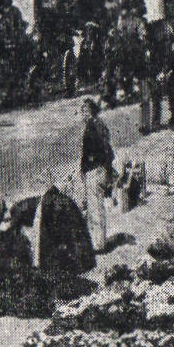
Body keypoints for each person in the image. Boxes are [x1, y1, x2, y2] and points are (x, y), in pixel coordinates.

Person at [79, 97, 115, 253]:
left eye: (84, 111)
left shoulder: (91, 127)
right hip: (101, 169)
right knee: (96, 208)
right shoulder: (101, 125)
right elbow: (109, 152)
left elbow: (89, 152)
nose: (82, 114)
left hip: (94, 170)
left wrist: (85, 168)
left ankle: (99, 245)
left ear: (90, 112)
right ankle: (99, 241)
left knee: (95, 209)